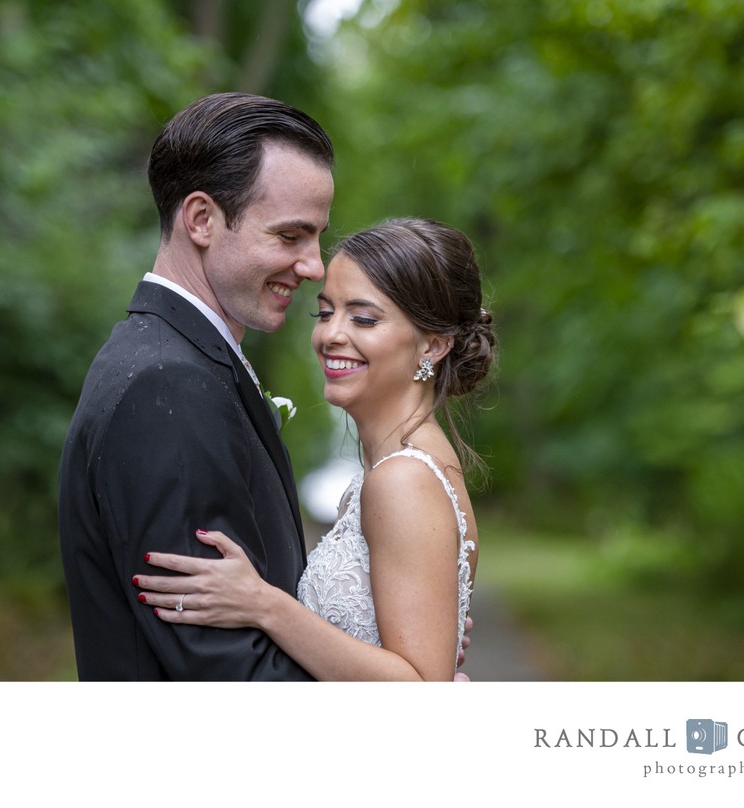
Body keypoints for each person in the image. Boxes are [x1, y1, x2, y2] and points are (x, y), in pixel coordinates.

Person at [131, 218, 497, 680]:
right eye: (325, 313)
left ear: (433, 345)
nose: (330, 336)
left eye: (363, 318)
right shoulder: (400, 467)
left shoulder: (402, 479)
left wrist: (265, 605)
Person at [57, 92, 334, 680]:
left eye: (316, 238)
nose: (315, 266)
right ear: (202, 218)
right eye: (290, 237)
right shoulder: (167, 386)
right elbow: (226, 673)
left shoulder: (175, 360)